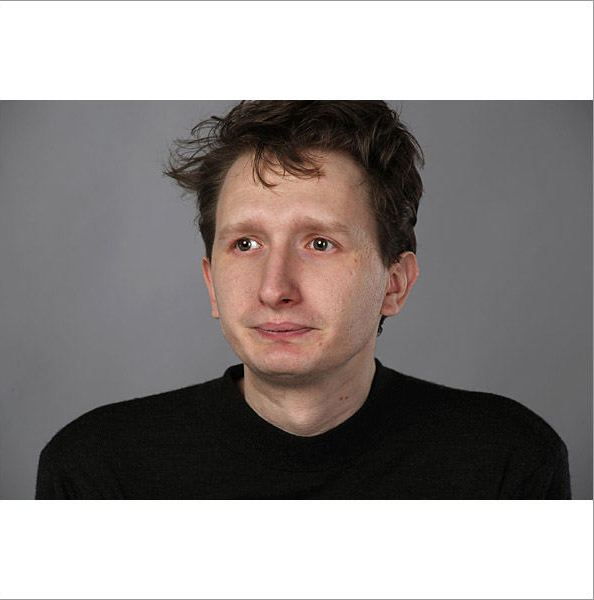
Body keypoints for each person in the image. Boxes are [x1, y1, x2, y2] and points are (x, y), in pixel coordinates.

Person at [36, 101, 571, 499]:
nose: (274, 289)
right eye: (246, 245)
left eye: (319, 244)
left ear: (394, 283)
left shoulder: (507, 459)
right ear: (211, 283)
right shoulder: (97, 468)